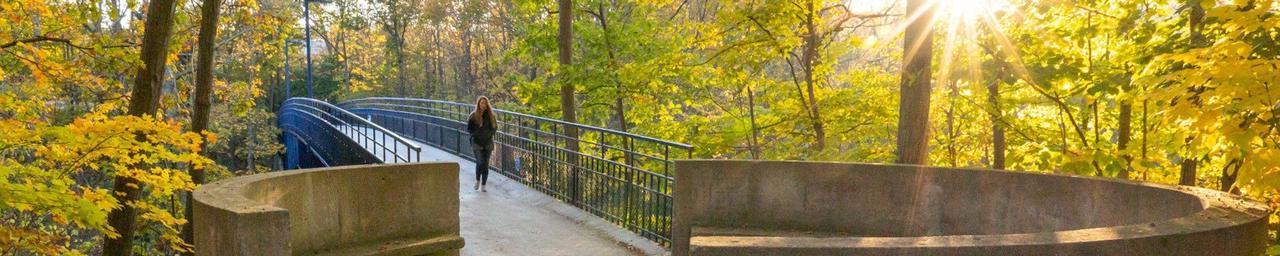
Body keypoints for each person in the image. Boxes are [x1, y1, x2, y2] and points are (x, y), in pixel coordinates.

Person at [467, 96, 498, 192]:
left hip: (487, 143)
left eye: (485, 103)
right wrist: (477, 133)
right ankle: (477, 180)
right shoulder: (473, 116)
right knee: (480, 162)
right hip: (477, 143)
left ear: (487, 104)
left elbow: (495, 128)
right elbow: (469, 129)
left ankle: (484, 185)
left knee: (485, 164)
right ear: (478, 104)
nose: (483, 105)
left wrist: (489, 134)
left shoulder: (491, 116)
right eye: (481, 103)